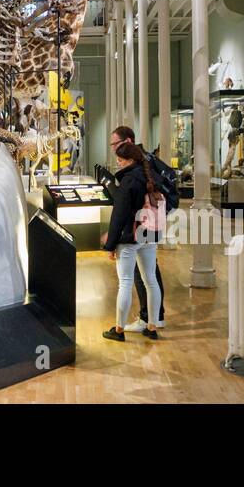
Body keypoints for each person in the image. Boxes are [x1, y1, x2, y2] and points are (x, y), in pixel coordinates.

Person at [101, 140, 164, 342]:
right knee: (151, 281)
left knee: (125, 282)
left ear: (129, 160)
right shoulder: (152, 176)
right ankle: (152, 326)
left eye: (120, 160)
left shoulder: (128, 181)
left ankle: (119, 330)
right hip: (150, 235)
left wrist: (110, 244)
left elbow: (119, 215)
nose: (118, 163)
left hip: (130, 237)